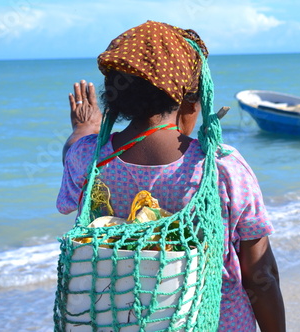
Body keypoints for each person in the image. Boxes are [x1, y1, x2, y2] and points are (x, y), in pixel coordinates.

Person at [56, 21, 285, 332]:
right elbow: (262, 275)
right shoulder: (221, 167)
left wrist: (84, 128)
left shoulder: (88, 158)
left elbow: (72, 151)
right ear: (189, 97)